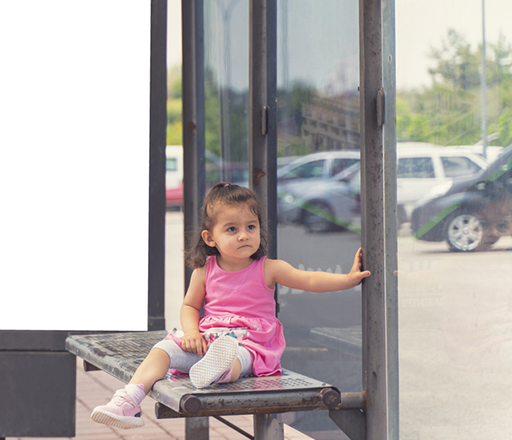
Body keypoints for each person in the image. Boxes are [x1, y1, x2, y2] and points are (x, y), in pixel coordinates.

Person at [91, 182, 370, 429]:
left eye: (251, 227)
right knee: (162, 349)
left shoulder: (268, 268)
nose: (243, 235)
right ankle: (129, 399)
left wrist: (348, 279)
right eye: (232, 229)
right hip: (208, 340)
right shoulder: (204, 270)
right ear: (210, 238)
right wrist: (190, 333)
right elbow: (190, 306)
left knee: (235, 359)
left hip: (251, 344)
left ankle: (218, 370)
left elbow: (309, 279)